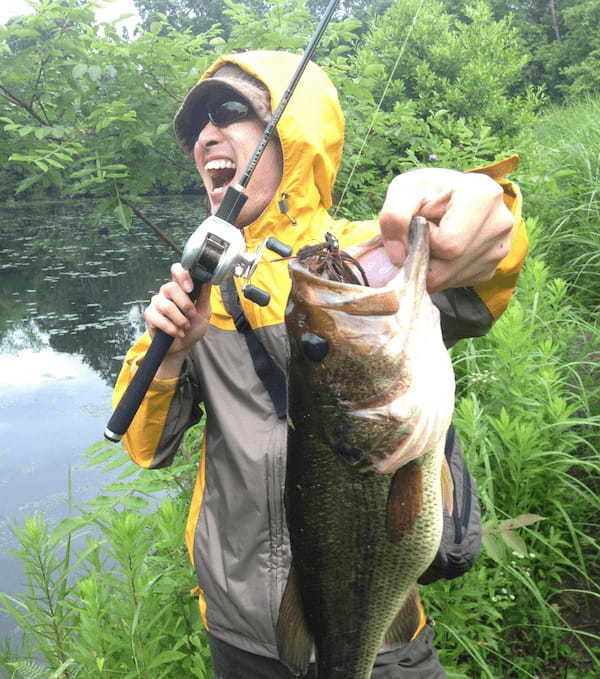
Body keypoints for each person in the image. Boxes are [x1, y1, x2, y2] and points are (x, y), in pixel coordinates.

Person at [113, 51, 528, 677]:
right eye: (198, 125)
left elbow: (477, 264)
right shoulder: (202, 290)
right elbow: (148, 448)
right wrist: (170, 352)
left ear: (296, 134)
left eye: (231, 112)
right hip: (240, 624)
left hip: (379, 620)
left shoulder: (364, 261)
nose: (205, 136)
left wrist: (485, 204)